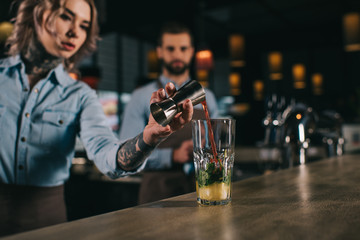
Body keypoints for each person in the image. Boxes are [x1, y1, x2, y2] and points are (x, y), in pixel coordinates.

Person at [0, 0, 193, 237]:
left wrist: (148, 138)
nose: (75, 32)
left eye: (84, 26)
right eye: (66, 17)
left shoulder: (81, 95)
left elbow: (107, 156)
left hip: (48, 223)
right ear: (39, 12)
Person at [119, 22, 218, 204]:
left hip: (203, 193)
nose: (177, 54)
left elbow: (217, 143)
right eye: (170, 49)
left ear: (191, 51)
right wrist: (172, 156)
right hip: (157, 200)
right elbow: (125, 152)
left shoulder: (208, 97)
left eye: (183, 48)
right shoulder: (141, 97)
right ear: (160, 52)